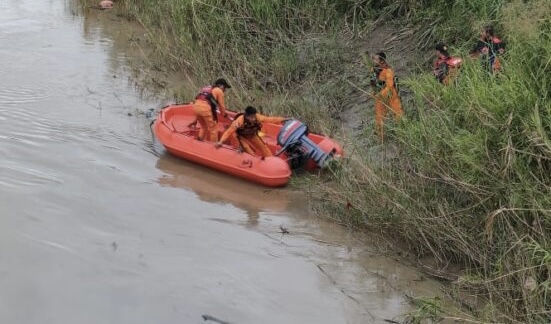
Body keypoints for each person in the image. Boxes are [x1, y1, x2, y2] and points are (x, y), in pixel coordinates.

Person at [215, 106, 287, 158]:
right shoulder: (239, 122)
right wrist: (221, 141)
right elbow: (228, 132)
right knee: (246, 148)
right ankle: (254, 159)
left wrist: (282, 120)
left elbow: (270, 119)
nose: (253, 119)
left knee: (263, 146)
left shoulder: (257, 117)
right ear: (246, 116)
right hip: (240, 135)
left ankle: (271, 160)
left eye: (254, 117)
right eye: (251, 117)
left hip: (251, 133)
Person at [369, 52, 403, 143]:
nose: (373, 61)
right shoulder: (373, 70)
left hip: (391, 96)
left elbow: (390, 86)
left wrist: (380, 94)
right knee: (379, 117)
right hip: (380, 98)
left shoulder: (388, 71)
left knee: (398, 115)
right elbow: (373, 83)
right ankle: (380, 138)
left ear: (382, 61)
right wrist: (373, 92)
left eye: (376, 59)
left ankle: (402, 135)